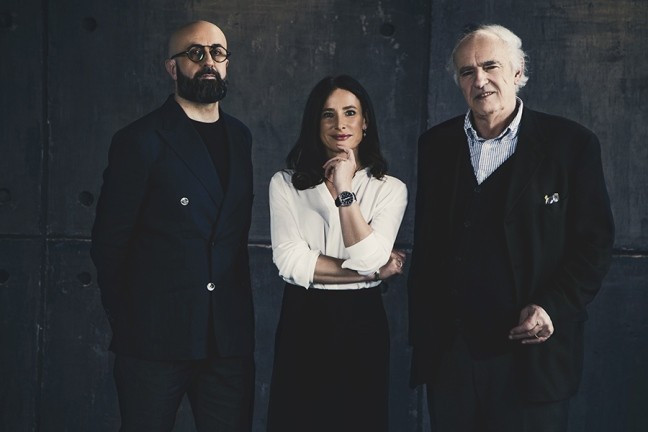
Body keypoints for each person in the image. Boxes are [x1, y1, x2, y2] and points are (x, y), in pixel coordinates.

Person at [408, 24, 615, 432]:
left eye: (491, 66)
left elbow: (594, 243)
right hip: (452, 359)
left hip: (532, 357)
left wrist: (552, 307)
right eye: (467, 72)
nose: (480, 80)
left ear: (518, 72)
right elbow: (429, 247)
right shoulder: (435, 145)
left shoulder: (571, 145)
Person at [90, 20, 255, 431]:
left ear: (227, 63)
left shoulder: (241, 137)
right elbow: (109, 242)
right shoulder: (140, 139)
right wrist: (130, 319)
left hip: (227, 341)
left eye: (218, 52)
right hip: (153, 339)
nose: (209, 61)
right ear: (172, 67)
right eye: (195, 53)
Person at [266, 75, 408, 432]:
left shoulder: (390, 189)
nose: (340, 124)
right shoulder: (285, 184)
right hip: (303, 318)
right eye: (328, 114)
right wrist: (372, 273)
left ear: (365, 122)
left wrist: (345, 189)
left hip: (362, 321)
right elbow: (290, 262)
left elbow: (368, 256)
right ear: (315, 123)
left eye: (350, 112)